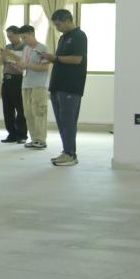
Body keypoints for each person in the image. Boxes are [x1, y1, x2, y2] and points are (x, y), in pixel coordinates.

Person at [42, 9, 87, 167]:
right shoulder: (63, 38)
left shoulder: (79, 36)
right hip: (58, 86)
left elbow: (77, 59)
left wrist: (54, 58)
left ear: (68, 20)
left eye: (58, 24)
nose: (57, 28)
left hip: (70, 86)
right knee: (62, 122)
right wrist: (50, 59)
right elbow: (60, 60)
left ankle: (70, 154)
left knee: (68, 121)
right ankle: (66, 151)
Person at [16, 25, 51, 150]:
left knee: (39, 111)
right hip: (26, 84)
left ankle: (41, 140)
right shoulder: (26, 49)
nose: (23, 40)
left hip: (39, 85)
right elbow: (25, 66)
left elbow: (45, 67)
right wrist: (19, 66)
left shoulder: (42, 48)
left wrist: (28, 65)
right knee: (28, 113)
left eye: (24, 37)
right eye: (21, 38)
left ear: (32, 34)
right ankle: (34, 138)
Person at [0, 25, 28, 143]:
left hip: (18, 79)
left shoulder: (25, 47)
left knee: (20, 108)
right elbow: (1, 63)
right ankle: (12, 133)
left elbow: (23, 61)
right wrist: (3, 55)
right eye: (8, 36)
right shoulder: (8, 47)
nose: (9, 39)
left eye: (11, 36)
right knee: (7, 108)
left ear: (18, 35)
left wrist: (10, 54)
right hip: (6, 79)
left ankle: (22, 134)